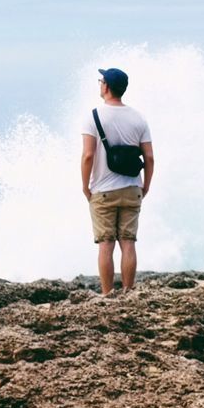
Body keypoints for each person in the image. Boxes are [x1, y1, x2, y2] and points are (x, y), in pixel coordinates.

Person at [81, 67, 154, 295]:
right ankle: (128, 292)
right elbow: (149, 156)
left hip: (103, 190)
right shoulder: (138, 118)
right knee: (128, 242)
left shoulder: (93, 117)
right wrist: (146, 185)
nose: (100, 84)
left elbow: (88, 156)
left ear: (106, 87)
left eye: (101, 81)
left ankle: (106, 295)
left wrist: (85, 187)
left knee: (106, 244)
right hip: (132, 188)